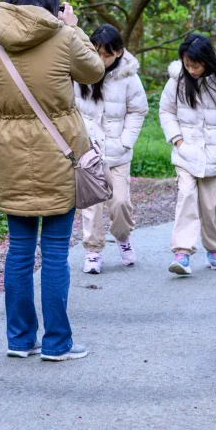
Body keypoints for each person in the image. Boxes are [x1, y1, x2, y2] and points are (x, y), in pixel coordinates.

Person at [0, 0, 104, 361]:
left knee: (18, 250)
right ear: (52, 0)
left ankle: (18, 339)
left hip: (9, 153)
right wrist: (75, 27)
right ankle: (57, 343)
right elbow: (94, 71)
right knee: (53, 252)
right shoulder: (64, 37)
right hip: (58, 152)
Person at [159, 33, 216, 276]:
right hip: (185, 154)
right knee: (186, 197)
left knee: (211, 206)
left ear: (207, 61)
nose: (192, 70)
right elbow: (166, 111)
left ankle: (213, 249)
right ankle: (182, 254)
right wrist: (177, 140)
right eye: (187, 64)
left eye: (196, 65)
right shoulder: (176, 81)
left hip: (215, 156)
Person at [74, 24, 148, 274]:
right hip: (89, 153)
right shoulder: (80, 73)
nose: (102, 60)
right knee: (91, 206)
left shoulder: (129, 77)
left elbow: (138, 110)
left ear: (118, 52)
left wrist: (126, 141)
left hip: (118, 153)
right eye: (98, 53)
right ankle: (93, 251)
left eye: (108, 54)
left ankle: (122, 237)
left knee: (120, 202)